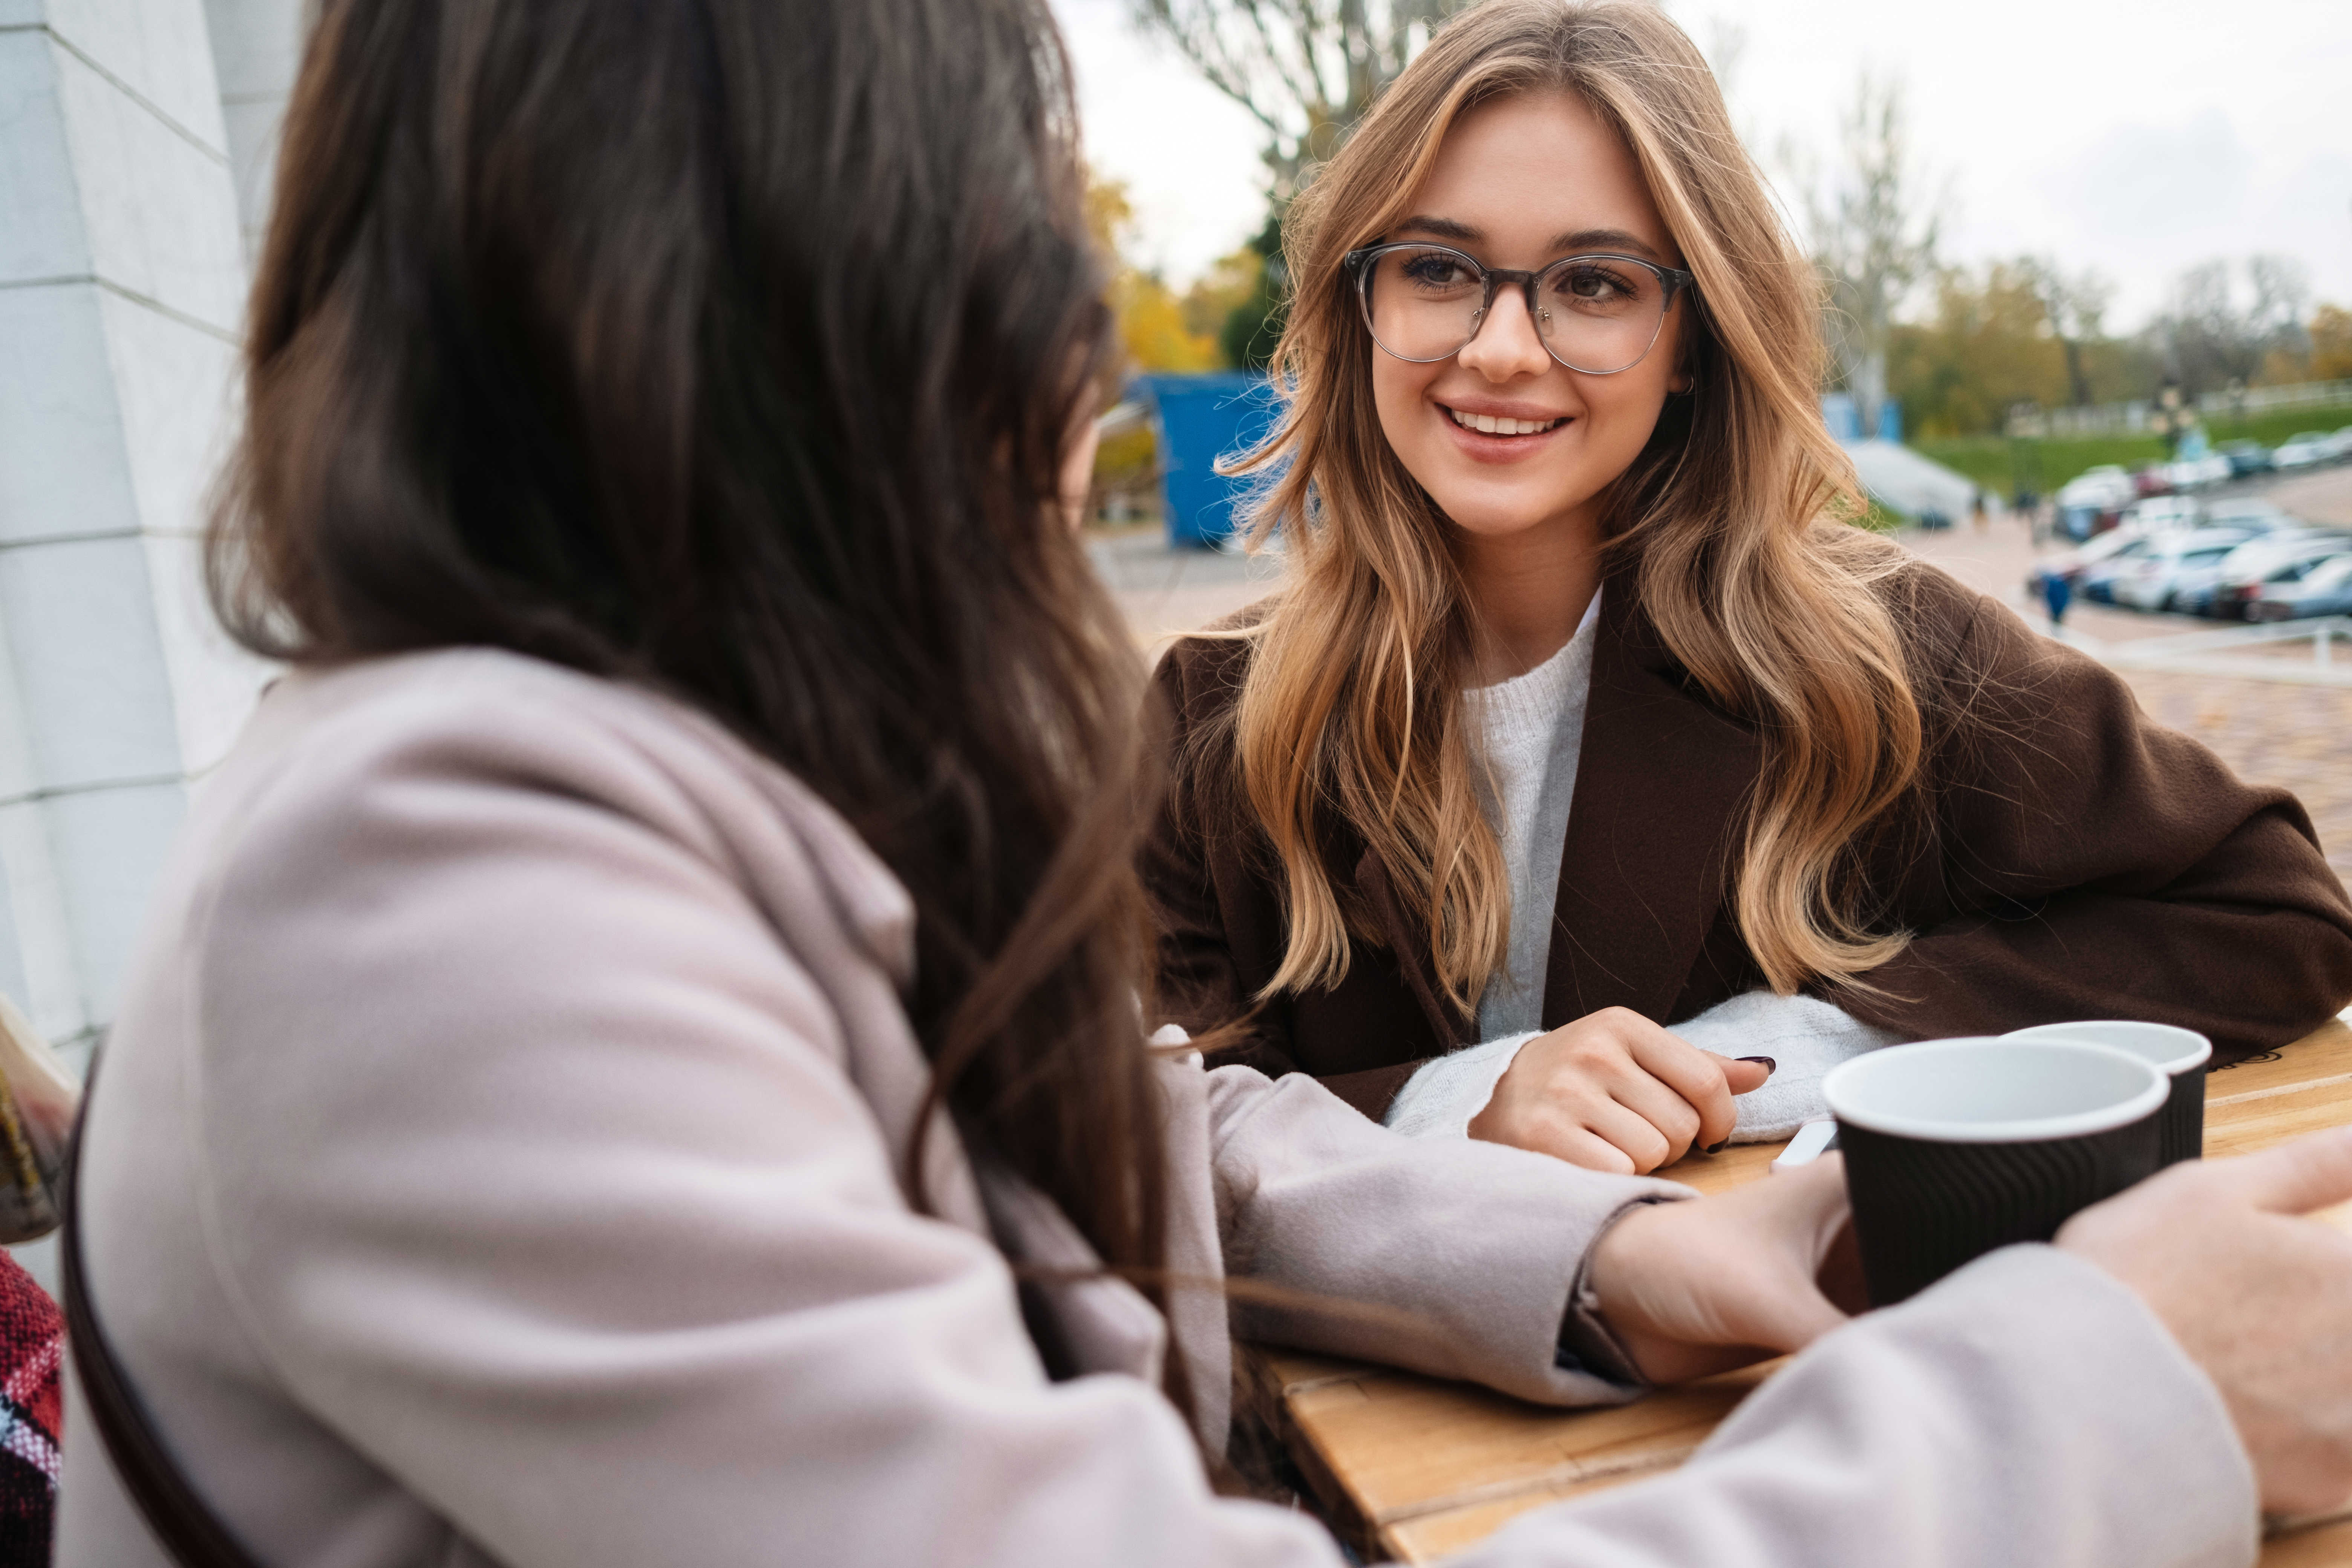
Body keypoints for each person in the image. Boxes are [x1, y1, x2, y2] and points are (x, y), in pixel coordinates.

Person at [52, 2, 2352, 1565]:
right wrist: (2107, 1399)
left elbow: (1142, 1132)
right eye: (1028, 210)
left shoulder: (657, 791)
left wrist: (1625, 1236)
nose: (1078, 321)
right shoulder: (451, 895)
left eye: (1594, 286)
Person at [1142, 0, 2352, 1174]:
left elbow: (2276, 917)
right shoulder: (1211, 722)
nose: (1502, 348)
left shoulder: (1885, 656)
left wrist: (1781, 1055)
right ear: (1359, 306)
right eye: (1439, 267)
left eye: (1597, 284)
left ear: (1693, 340)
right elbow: (1136, 1132)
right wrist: (1450, 1108)